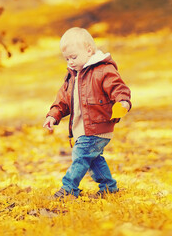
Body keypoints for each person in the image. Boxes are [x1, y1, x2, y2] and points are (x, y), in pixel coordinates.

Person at [43, 27, 131, 199]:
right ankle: (108, 188)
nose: (70, 62)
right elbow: (62, 100)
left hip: (97, 126)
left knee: (81, 156)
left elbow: (117, 87)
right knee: (93, 159)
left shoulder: (103, 70)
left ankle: (68, 189)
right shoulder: (72, 76)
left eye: (74, 57)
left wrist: (123, 101)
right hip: (82, 129)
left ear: (89, 50)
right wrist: (53, 115)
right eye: (67, 58)